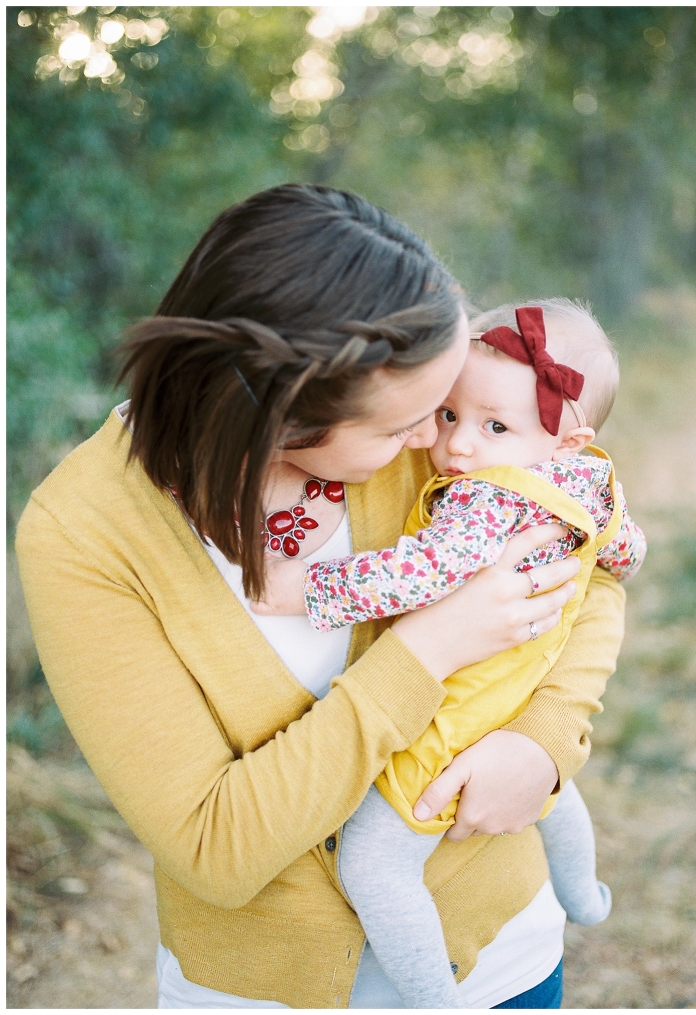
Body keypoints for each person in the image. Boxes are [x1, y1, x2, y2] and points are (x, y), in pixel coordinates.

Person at [16, 184, 625, 1009]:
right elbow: (217, 842)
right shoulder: (84, 535)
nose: (434, 442)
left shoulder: (436, 407)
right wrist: (429, 648)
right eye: (404, 426)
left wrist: (544, 743)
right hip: (265, 990)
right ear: (281, 419)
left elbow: (590, 569)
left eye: (442, 412)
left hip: (498, 959)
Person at [255, 299, 646, 1007]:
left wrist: (305, 592)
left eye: (494, 426)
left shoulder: (482, 504)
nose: (459, 446)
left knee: (373, 863)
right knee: (550, 787)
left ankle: (432, 996)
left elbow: (415, 573)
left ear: (566, 440)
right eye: (450, 415)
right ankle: (584, 894)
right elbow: (625, 551)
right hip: (523, 687)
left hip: (459, 700)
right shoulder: (595, 482)